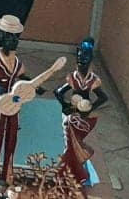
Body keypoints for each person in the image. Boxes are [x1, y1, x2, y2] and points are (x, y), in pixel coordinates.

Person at [54, 37, 108, 190]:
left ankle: (73, 174)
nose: (81, 62)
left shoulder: (93, 80)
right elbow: (58, 92)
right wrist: (66, 105)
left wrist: (90, 107)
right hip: (72, 113)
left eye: (84, 59)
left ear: (90, 59)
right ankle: (72, 174)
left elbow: (103, 97)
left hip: (84, 115)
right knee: (69, 144)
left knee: (75, 144)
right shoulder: (73, 77)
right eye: (79, 59)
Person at [0, 15, 29, 187]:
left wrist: (31, 86)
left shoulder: (17, 63)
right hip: (1, 102)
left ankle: (8, 173)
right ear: (2, 37)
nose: (15, 40)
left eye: (16, 37)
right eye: (11, 37)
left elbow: (23, 78)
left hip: (15, 101)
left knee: (13, 134)